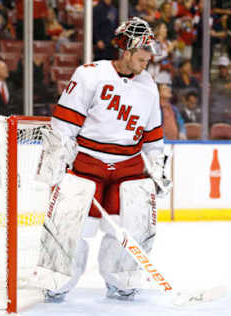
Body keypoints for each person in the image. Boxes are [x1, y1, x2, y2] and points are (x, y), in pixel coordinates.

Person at [36, 17, 171, 302]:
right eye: (144, 50)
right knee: (71, 226)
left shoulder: (149, 87)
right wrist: (55, 161)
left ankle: (121, 280)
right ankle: (57, 279)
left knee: (131, 227)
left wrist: (157, 169)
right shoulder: (89, 75)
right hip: (88, 164)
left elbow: (152, 137)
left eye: (150, 50)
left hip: (129, 168)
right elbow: (63, 125)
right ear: (127, 49)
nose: (149, 57)